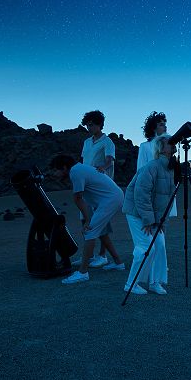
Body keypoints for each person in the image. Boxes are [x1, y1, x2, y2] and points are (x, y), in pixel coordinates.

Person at [50, 154, 126, 284]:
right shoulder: (79, 169)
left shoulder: (75, 172)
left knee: (90, 231)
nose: (54, 174)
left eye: (55, 170)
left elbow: (78, 198)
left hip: (110, 200)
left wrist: (87, 220)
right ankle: (118, 262)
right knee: (100, 232)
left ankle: (83, 272)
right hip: (109, 199)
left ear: (64, 167)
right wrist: (88, 218)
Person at [122, 134, 177, 295]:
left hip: (151, 216)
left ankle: (155, 282)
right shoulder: (152, 167)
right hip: (136, 213)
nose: (173, 145)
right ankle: (131, 284)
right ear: (161, 148)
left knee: (160, 245)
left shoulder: (169, 168)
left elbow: (164, 200)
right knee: (146, 247)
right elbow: (141, 194)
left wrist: (160, 222)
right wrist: (148, 220)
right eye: (169, 143)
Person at [137, 112, 177, 283]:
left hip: (166, 190)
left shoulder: (169, 146)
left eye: (164, 123)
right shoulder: (145, 146)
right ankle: (152, 258)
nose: (164, 126)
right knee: (152, 225)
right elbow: (141, 169)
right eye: (160, 124)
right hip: (152, 189)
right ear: (153, 127)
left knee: (163, 223)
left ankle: (161, 260)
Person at [79, 110, 115, 267]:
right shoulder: (87, 142)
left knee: (99, 221)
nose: (89, 127)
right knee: (85, 218)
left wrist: (103, 167)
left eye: (91, 124)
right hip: (85, 185)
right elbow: (84, 160)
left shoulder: (107, 142)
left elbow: (109, 160)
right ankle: (89, 255)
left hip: (100, 186)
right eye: (87, 124)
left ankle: (103, 255)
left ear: (99, 124)